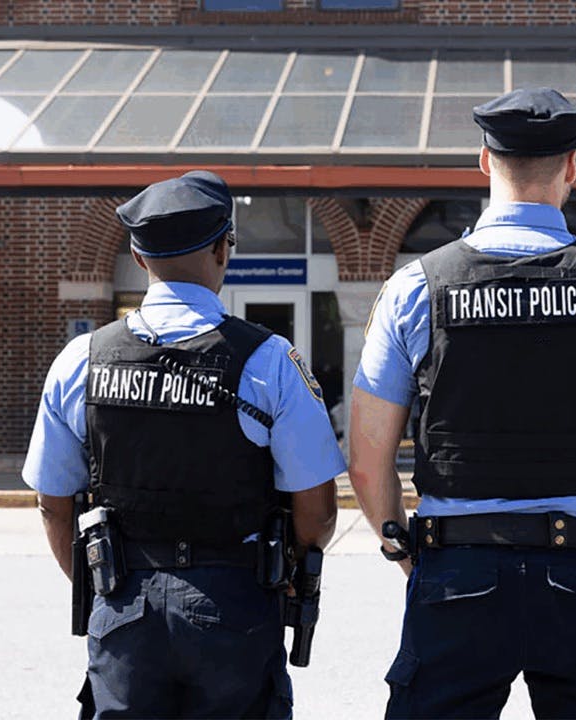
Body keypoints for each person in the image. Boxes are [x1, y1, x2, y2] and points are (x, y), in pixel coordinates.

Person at [349, 87, 576, 719]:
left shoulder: (415, 288)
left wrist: (406, 547)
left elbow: (367, 462)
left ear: (483, 160)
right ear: (571, 167)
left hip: (456, 570)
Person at [22, 170, 341, 718]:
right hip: (235, 602)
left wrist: (107, 587)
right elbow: (317, 512)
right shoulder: (269, 360)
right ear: (223, 248)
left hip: (124, 601)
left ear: (139, 257)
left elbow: (53, 504)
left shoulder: (82, 359)